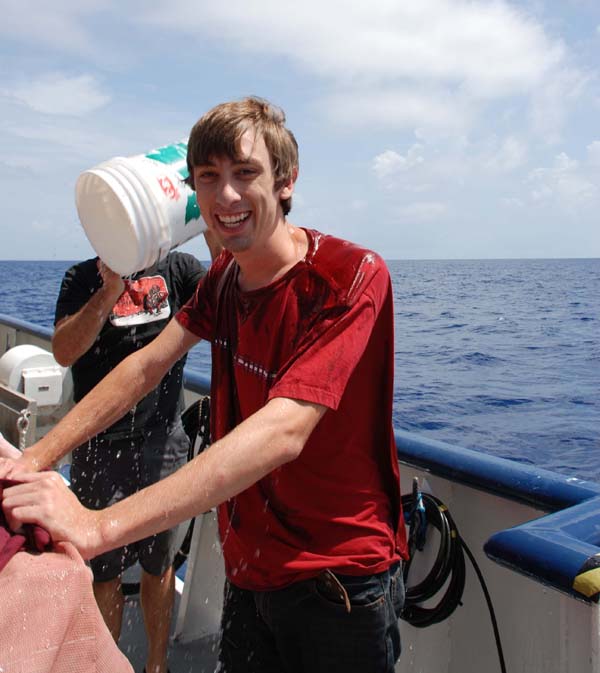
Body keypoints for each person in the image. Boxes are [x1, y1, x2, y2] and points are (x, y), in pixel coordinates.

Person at [1, 96, 409, 673]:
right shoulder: (223, 278)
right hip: (251, 565)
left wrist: (97, 527)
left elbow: (284, 430)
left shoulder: (351, 275)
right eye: (209, 178)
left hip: (336, 578)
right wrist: (38, 457)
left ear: (287, 181)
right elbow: (144, 368)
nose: (226, 196)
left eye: (246, 174)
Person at [51, 251, 209, 673]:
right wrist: (108, 291)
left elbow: (231, 304)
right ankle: (109, 666)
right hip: (99, 447)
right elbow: (64, 352)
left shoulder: (179, 271)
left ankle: (157, 667)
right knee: (104, 573)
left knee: (160, 566)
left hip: (164, 445)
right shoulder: (81, 276)